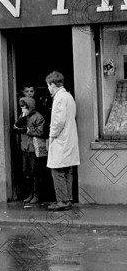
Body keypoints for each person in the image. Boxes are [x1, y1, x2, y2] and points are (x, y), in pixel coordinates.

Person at [46, 71, 79, 211]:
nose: (48, 88)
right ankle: (68, 199)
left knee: (57, 170)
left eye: (48, 85)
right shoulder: (69, 96)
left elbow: (58, 122)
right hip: (69, 138)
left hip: (61, 139)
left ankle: (62, 201)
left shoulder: (59, 98)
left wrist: (51, 136)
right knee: (67, 170)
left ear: (53, 84)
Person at [14, 96, 46, 207]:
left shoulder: (38, 117)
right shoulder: (22, 116)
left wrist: (28, 130)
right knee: (26, 172)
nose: (23, 109)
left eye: (25, 107)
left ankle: (37, 194)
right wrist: (22, 119)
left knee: (35, 172)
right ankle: (30, 193)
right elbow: (16, 127)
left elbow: (40, 131)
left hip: (34, 148)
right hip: (25, 147)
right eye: (21, 107)